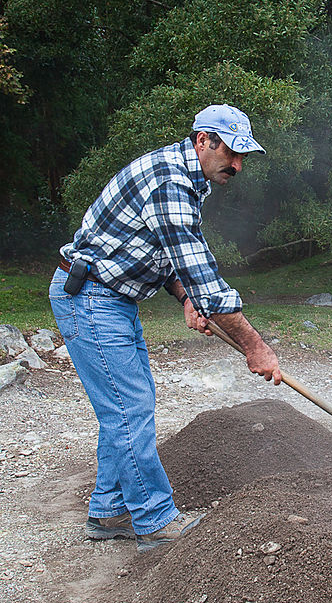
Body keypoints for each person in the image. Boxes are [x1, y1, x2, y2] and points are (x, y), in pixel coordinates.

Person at [49, 104, 281, 552]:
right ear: (202, 140)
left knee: (129, 405)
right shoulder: (171, 181)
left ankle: (109, 511)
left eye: (242, 158)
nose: (236, 165)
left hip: (112, 300)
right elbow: (204, 276)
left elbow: (168, 256)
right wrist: (255, 346)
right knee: (129, 408)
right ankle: (154, 519)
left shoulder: (191, 180)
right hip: (91, 297)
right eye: (231, 153)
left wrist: (185, 298)